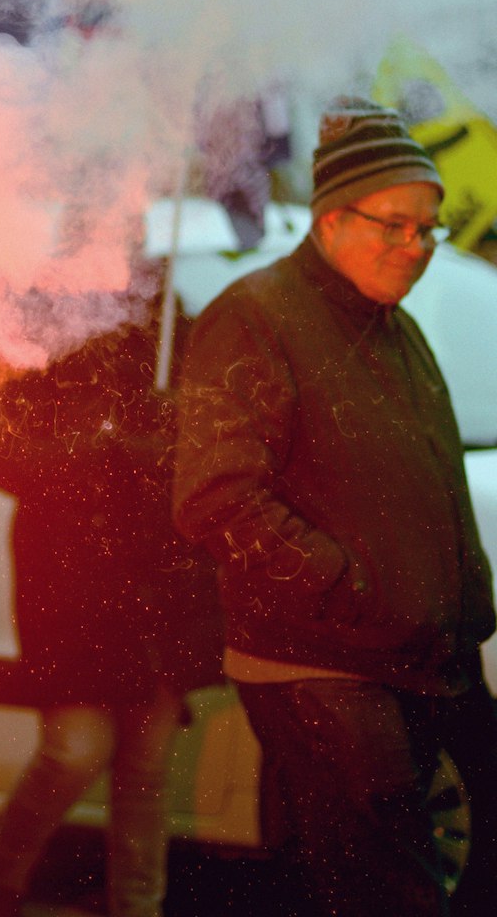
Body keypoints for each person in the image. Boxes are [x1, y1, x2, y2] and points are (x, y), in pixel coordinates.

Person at [173, 97, 497, 917]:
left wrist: (463, 601)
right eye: (393, 225)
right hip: (323, 664)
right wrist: (348, 589)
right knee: (386, 890)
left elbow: (433, 480)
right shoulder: (255, 317)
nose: (415, 247)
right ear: (330, 216)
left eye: (427, 229)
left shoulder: (393, 326)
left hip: (422, 652)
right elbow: (216, 496)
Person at [0, 303, 223, 917]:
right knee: (74, 748)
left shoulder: (172, 322)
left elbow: (209, 433)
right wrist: (102, 453)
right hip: (71, 581)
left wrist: (166, 436)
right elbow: (2, 451)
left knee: (145, 764)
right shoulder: (44, 319)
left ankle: (138, 904)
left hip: (159, 583)